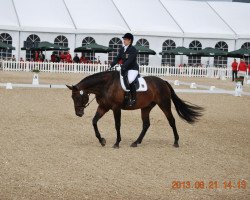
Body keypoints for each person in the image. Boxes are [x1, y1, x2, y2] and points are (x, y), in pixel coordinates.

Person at [110, 33, 139, 106]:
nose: (124, 41)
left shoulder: (133, 50)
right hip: (125, 69)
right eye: (124, 39)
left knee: (130, 80)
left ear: (130, 40)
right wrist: (111, 65)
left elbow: (130, 61)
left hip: (133, 69)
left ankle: (133, 99)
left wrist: (121, 67)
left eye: (125, 39)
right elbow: (117, 58)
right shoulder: (122, 49)